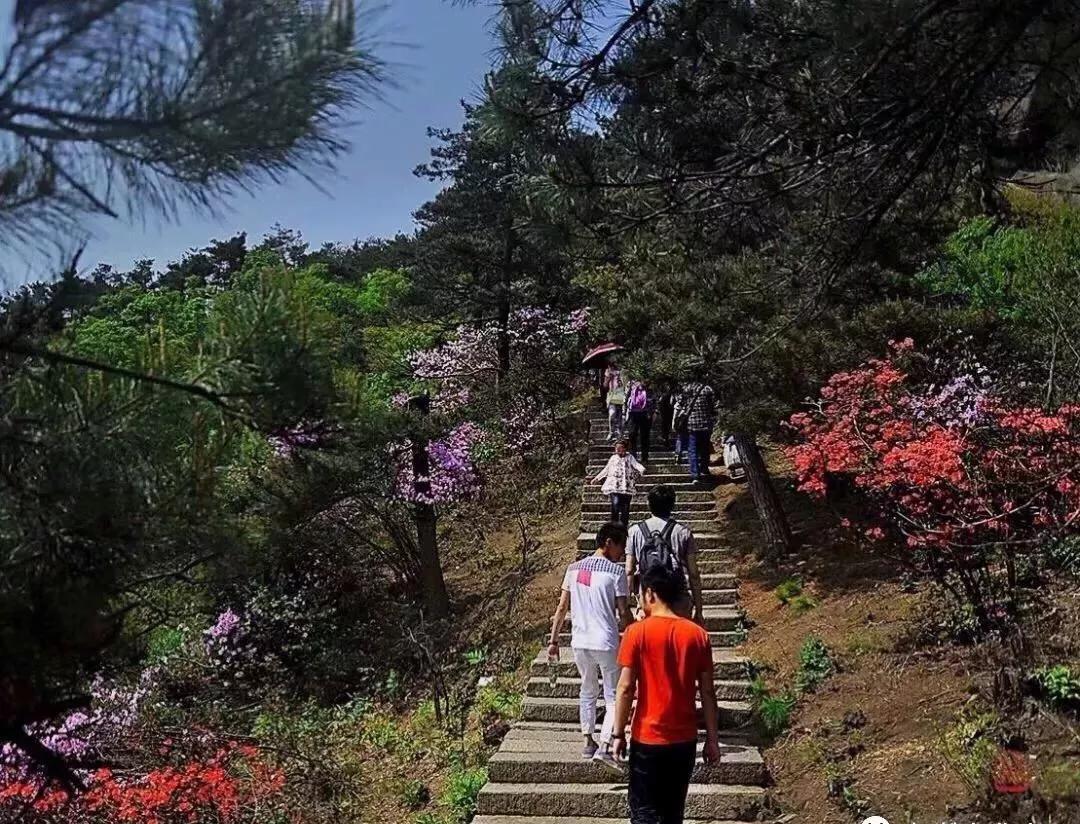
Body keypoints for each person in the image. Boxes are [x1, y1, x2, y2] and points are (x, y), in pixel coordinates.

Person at [611, 564, 722, 824]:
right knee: (673, 812)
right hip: (684, 739)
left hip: (647, 737)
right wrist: (713, 739)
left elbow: (626, 688)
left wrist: (618, 733)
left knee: (644, 812)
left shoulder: (636, 633)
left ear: (650, 594)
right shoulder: (698, 636)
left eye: (639, 593)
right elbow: (707, 692)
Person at [548, 522, 634, 768]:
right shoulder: (615, 572)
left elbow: (562, 607)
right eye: (620, 547)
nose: (621, 553)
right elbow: (623, 610)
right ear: (609, 542)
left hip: (580, 641)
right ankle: (606, 745)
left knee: (587, 690)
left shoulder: (573, 569)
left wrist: (554, 640)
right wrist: (633, 632)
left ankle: (588, 741)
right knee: (612, 694)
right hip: (606, 641)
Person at [625, 485, 705, 625]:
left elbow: (629, 570)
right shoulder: (683, 532)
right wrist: (699, 609)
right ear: (672, 505)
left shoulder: (634, 531)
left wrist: (628, 606)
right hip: (678, 599)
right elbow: (693, 574)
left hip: (648, 598)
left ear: (649, 504)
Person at [592, 439, 646, 526]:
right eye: (616, 449)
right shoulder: (613, 458)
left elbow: (636, 464)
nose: (618, 451)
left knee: (625, 509)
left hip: (626, 486)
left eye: (620, 448)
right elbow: (606, 469)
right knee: (615, 505)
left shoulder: (630, 457)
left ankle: (623, 527)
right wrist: (597, 478)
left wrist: (642, 469)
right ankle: (614, 525)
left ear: (624, 449)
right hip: (614, 486)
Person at [678, 374, 716, 487]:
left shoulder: (687, 389)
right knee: (705, 448)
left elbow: (679, 404)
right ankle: (704, 468)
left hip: (692, 425)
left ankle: (695, 475)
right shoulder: (708, 389)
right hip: (706, 424)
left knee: (692, 450)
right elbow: (714, 406)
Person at [626, 379, 653, 465]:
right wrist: (624, 413)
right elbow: (626, 399)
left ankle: (644, 458)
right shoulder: (631, 386)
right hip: (633, 414)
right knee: (632, 434)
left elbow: (653, 401)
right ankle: (633, 456)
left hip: (645, 414)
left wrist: (653, 412)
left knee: (645, 436)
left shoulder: (649, 389)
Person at [605, 363, 626, 441]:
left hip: (621, 397)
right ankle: (611, 432)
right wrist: (609, 377)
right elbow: (605, 385)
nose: (609, 368)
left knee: (621, 417)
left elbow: (624, 384)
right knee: (612, 414)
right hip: (612, 398)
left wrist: (619, 376)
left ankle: (620, 433)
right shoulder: (608, 373)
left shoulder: (622, 372)